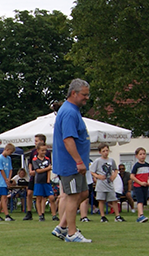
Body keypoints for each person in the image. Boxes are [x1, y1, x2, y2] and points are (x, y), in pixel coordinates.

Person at [51, 78, 92, 243]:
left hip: (73, 163)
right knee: (73, 195)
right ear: (73, 93)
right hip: (70, 164)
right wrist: (79, 161)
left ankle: (61, 227)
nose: (86, 98)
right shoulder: (69, 112)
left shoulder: (72, 110)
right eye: (84, 95)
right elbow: (68, 140)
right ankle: (71, 233)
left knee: (83, 193)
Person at [90, 143, 123, 222]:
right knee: (101, 200)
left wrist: (114, 176)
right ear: (100, 152)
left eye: (107, 150)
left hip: (109, 183)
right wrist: (98, 176)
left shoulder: (111, 160)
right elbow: (92, 171)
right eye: (103, 151)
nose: (105, 152)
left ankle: (117, 216)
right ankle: (103, 216)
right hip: (101, 183)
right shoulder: (98, 161)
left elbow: (115, 169)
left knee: (113, 199)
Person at [130, 147, 149, 223]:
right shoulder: (136, 165)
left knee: (143, 201)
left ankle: (139, 216)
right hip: (138, 186)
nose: (142, 156)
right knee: (140, 200)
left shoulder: (147, 165)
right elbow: (132, 176)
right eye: (140, 154)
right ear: (137, 156)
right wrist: (140, 182)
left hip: (145, 185)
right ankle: (141, 215)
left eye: (144, 154)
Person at [30, 144, 54, 222]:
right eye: (42, 150)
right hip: (38, 181)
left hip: (46, 181)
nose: (44, 152)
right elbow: (38, 171)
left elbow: (49, 170)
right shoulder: (35, 160)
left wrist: (48, 179)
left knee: (51, 197)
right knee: (39, 198)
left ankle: (54, 215)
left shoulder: (47, 159)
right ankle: (40, 215)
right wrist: (47, 168)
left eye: (45, 150)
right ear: (38, 151)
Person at [0, 143, 15, 221]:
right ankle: (7, 215)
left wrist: (9, 179)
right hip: (1, 181)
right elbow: (1, 170)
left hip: (6, 180)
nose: (11, 154)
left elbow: (10, 169)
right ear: (7, 150)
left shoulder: (8, 158)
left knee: (4, 198)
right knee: (4, 198)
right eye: (11, 152)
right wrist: (6, 180)